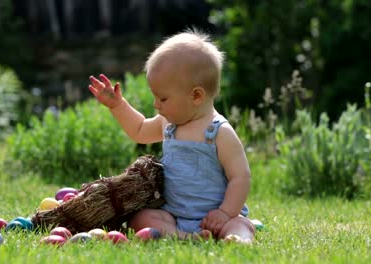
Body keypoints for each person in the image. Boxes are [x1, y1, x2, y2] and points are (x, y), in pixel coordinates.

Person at [88, 29, 255, 244]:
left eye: (163, 98)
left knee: (241, 224)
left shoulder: (219, 132)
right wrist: (118, 105)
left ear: (196, 96)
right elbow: (139, 130)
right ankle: (185, 237)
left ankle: (238, 239)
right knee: (141, 218)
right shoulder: (168, 124)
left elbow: (240, 177)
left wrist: (224, 213)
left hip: (216, 217)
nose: (156, 105)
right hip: (173, 216)